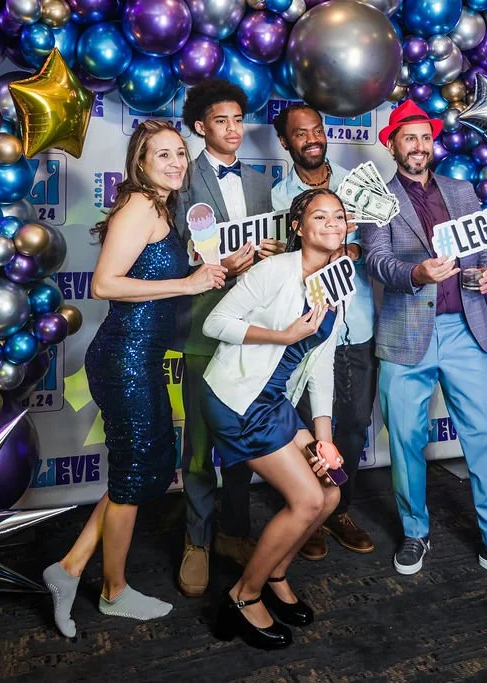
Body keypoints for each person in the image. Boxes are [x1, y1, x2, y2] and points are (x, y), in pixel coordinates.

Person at [42, 121, 227, 638]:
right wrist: (186, 281)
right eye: (161, 155)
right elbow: (104, 284)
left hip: (141, 359)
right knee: (133, 478)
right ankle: (113, 592)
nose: (174, 163)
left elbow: (159, 282)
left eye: (179, 154)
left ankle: (71, 567)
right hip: (123, 359)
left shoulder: (161, 207)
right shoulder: (140, 206)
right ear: (140, 163)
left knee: (143, 470)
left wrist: (213, 271)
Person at [363, 100, 487, 592]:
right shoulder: (378, 198)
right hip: (406, 334)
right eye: (409, 137)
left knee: (485, 435)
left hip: (465, 328)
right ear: (393, 143)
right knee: (404, 442)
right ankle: (415, 533)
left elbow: (484, 243)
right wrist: (415, 272)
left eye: (425, 137)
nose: (419, 146)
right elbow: (377, 261)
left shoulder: (460, 190)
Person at [203, 188, 348, 649]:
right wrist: (283, 336)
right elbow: (216, 323)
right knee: (307, 499)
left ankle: (276, 575)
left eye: (339, 216)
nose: (331, 223)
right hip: (238, 399)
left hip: (274, 403)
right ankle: (242, 597)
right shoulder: (273, 271)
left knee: (329, 491)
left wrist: (324, 440)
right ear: (298, 228)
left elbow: (321, 368)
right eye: (319, 216)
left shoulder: (334, 288)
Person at [173, 78, 285, 598]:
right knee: (199, 443)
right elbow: (176, 252)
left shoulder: (261, 180)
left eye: (239, 120)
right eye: (222, 121)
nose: (234, 129)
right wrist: (220, 264)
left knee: (242, 442)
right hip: (202, 328)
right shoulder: (181, 179)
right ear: (201, 127)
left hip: (252, 330)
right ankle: (196, 539)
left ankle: (234, 533)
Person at [271, 104, 376, 560]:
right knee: (301, 426)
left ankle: (338, 510)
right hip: (309, 331)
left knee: (351, 427)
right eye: (300, 133)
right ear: (285, 142)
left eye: (317, 130)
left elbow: (385, 246)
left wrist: (356, 245)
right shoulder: (279, 199)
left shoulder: (360, 186)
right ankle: (306, 509)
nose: (312, 138)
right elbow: (281, 269)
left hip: (358, 327)